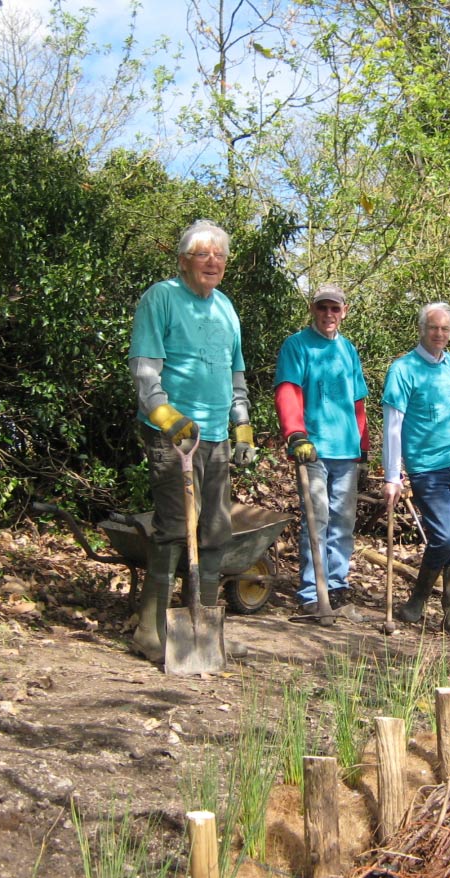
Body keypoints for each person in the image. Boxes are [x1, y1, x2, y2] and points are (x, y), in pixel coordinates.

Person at [127, 219, 256, 663]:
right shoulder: (161, 298)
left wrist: (242, 425)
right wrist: (168, 418)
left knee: (216, 530)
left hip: (216, 436)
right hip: (174, 437)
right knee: (176, 528)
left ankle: (199, 628)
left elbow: (235, 373)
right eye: (202, 255)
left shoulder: (226, 308)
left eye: (218, 256)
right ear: (183, 261)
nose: (212, 262)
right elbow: (145, 373)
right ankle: (151, 631)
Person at [382, 302, 450, 640]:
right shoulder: (403, 369)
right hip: (427, 468)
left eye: (445, 329)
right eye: (433, 328)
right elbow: (393, 426)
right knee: (445, 537)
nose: (439, 334)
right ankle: (418, 600)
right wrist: (393, 476)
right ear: (421, 329)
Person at [274, 283, 370, 621]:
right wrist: (295, 433)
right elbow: (287, 391)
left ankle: (336, 585)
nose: (328, 314)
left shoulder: (348, 350)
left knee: (343, 521)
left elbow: (358, 402)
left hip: (346, 450)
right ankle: (312, 593)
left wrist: (364, 443)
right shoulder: (297, 345)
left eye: (334, 308)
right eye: (322, 308)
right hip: (311, 450)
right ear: (313, 310)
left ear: (344, 312)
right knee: (317, 520)